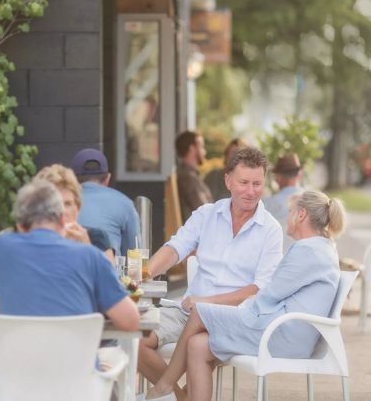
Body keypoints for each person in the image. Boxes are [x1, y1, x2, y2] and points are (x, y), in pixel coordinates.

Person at [146, 190, 345, 401]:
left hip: (283, 334)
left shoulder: (308, 251)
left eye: (290, 211)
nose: (287, 217)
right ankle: (172, 393)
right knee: (197, 346)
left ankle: (163, 388)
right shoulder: (320, 248)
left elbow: (270, 294)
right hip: (286, 330)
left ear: (302, 214)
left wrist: (230, 312)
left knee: (200, 313)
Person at [138, 147, 283, 388]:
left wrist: (207, 302)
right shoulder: (206, 215)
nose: (250, 191)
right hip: (186, 312)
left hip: (232, 320)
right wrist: (143, 274)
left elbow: (259, 289)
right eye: (243, 182)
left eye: (257, 184)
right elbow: (175, 249)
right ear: (227, 180)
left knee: (198, 349)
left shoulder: (271, 230)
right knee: (136, 339)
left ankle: (163, 392)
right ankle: (177, 396)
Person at [0, 180, 140, 331]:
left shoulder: (0, 247)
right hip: (77, 356)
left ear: (19, 225)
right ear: (61, 218)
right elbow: (130, 322)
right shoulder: (90, 255)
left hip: (17, 355)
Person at [33, 164, 115, 263]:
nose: (62, 211)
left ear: (77, 209)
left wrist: (87, 249)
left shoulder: (95, 237)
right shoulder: (26, 241)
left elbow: (110, 277)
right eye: (54, 204)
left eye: (67, 204)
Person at [72, 148, 141, 256]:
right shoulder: (124, 203)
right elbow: (133, 253)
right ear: (107, 178)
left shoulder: (60, 203)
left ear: (72, 179)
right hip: (108, 269)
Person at [264, 153, 304, 252]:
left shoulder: (266, 205)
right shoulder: (313, 201)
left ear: (277, 177)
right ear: (299, 174)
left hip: (275, 262)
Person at [174, 131, 213, 221]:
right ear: (192, 148)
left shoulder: (187, 174)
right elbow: (204, 211)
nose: (205, 152)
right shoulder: (187, 177)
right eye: (202, 147)